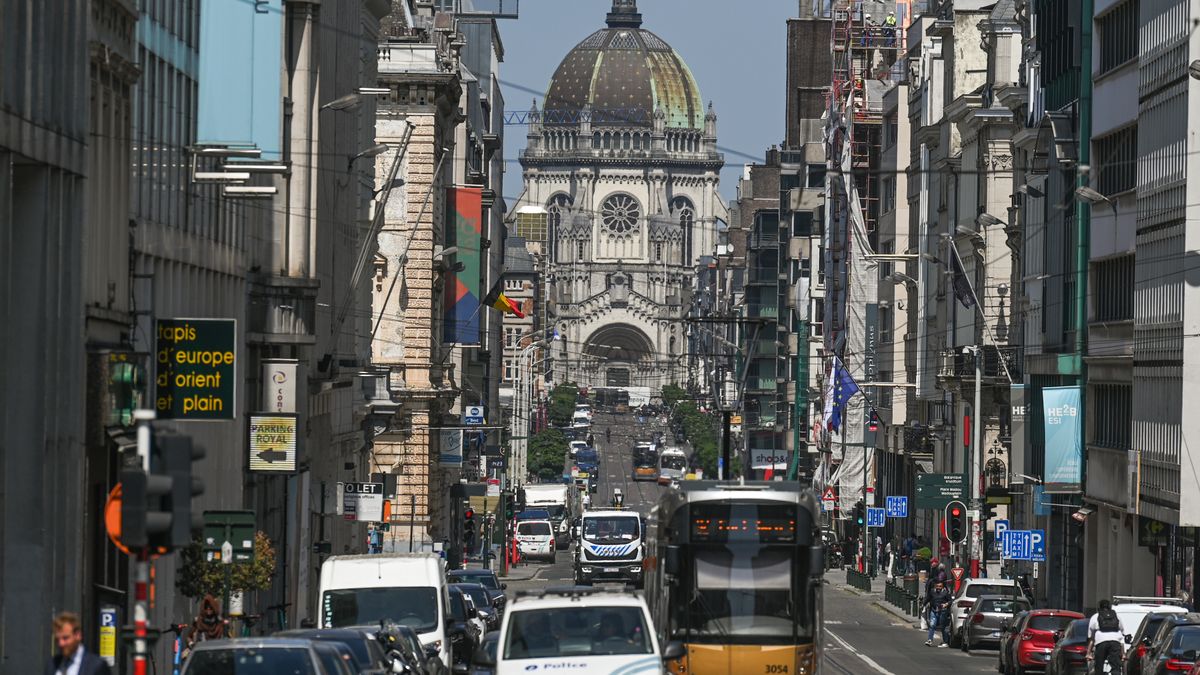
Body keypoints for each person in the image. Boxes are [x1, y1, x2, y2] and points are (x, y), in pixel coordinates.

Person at [46, 612, 111, 675]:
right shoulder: (52, 664)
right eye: (57, 639)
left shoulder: (96, 666)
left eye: (65, 638)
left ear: (78, 635)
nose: (61, 643)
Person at [1088, 599, 1125, 675]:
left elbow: (1091, 637)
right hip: (1115, 642)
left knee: (1099, 664)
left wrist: (1088, 653)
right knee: (1116, 666)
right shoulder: (1116, 616)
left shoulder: (1095, 617)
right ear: (1110, 607)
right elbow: (1122, 632)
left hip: (1101, 643)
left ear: (1099, 608)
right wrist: (1123, 653)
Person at [925, 579, 953, 647]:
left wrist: (946, 604)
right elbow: (927, 599)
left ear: (942, 587)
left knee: (943, 626)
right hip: (934, 610)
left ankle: (945, 641)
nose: (938, 588)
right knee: (932, 625)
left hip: (943, 611)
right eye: (937, 586)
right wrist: (923, 604)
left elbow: (950, 601)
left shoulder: (946, 593)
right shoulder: (932, 592)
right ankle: (930, 640)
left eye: (940, 586)